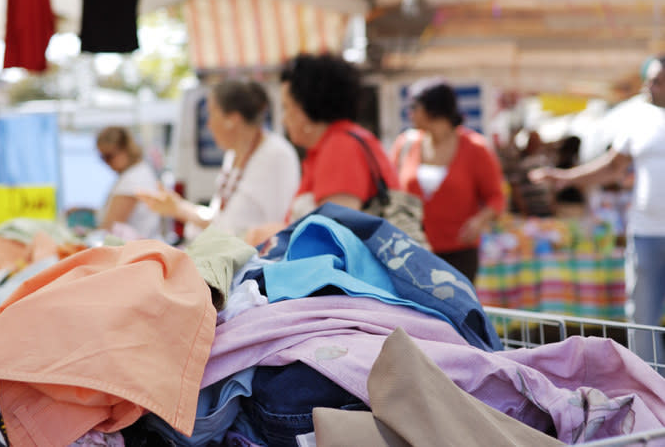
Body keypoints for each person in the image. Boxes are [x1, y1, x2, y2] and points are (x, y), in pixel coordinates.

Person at [530, 56, 665, 363]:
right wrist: (565, 178)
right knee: (642, 319)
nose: (649, 86)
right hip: (646, 235)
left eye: (657, 80)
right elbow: (611, 168)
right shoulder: (639, 120)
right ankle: (652, 388)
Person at [246, 53, 400, 245]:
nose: (284, 119)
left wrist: (272, 234)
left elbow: (335, 235)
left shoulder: (340, 147)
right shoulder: (344, 140)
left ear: (307, 109)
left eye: (287, 108)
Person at [138, 80, 300, 240]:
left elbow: (236, 229)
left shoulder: (275, 155)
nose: (209, 124)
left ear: (233, 119)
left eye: (211, 114)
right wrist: (178, 208)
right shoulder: (234, 155)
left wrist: (181, 209)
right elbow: (222, 219)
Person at [391, 79, 505, 282]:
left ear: (433, 109)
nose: (410, 113)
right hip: (411, 250)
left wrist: (479, 221)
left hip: (458, 253)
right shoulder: (405, 144)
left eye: (414, 107)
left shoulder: (475, 148)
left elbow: (496, 198)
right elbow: (390, 190)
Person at [96, 126, 162, 239]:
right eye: (102, 157)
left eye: (109, 156)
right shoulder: (140, 171)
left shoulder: (132, 181)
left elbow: (108, 227)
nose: (106, 162)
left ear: (125, 149)